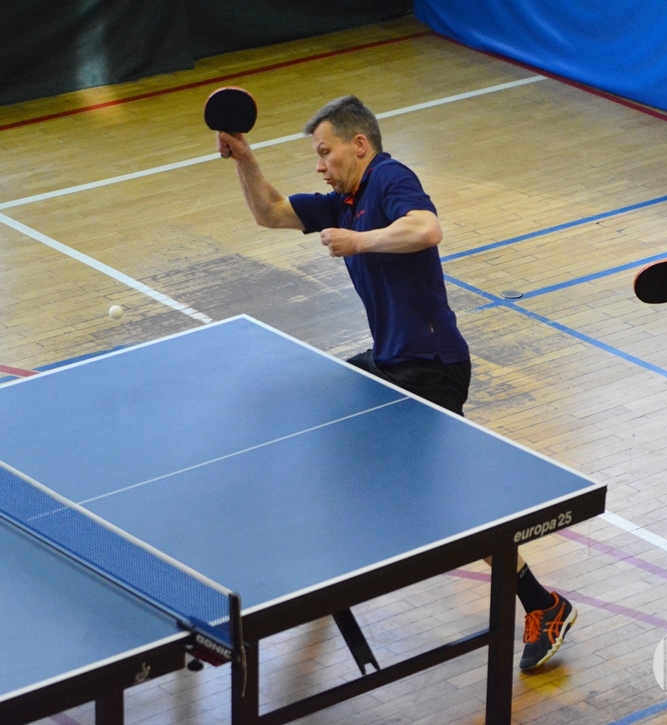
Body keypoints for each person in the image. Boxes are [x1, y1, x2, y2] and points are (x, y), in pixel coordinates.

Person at [216, 95, 575, 670]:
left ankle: (543, 604)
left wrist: (359, 240)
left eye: (325, 152)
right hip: (390, 363)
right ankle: (331, 568)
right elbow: (271, 212)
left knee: (451, 506)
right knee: (326, 425)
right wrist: (244, 158)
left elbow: (427, 229)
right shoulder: (344, 200)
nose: (319, 165)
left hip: (431, 367)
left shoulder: (389, 177)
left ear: (359, 145)